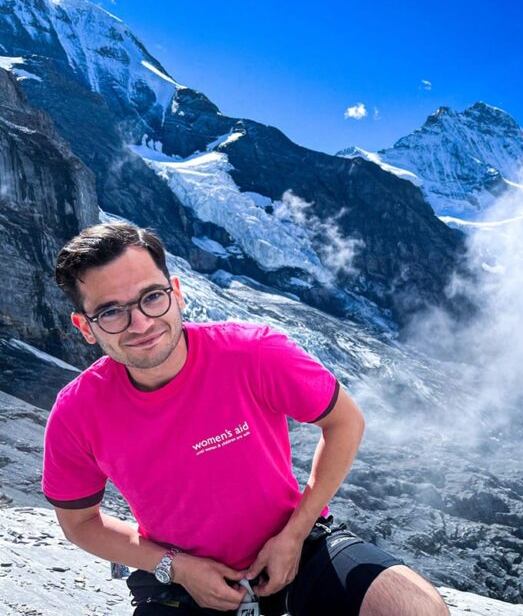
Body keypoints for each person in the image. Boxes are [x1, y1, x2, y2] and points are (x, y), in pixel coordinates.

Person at [42, 222, 449, 616]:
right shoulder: (77, 413)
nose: (141, 323)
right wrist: (177, 567)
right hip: (181, 582)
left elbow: (345, 421)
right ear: (86, 328)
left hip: (297, 544)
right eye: (111, 312)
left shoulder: (252, 354)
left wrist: (294, 534)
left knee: (414, 609)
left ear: (177, 293)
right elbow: (80, 523)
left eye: (151, 297)